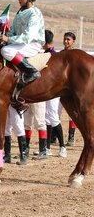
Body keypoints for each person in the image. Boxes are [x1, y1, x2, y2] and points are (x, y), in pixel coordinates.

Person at [0, 0, 44, 112]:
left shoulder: (35, 13)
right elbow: (13, 30)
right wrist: (4, 36)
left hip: (33, 43)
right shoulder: (21, 12)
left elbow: (27, 37)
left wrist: (8, 40)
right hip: (21, 43)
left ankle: (32, 72)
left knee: (5, 50)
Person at [43, 30, 67, 158]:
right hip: (45, 90)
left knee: (53, 117)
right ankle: (47, 147)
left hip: (53, 90)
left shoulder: (53, 55)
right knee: (47, 117)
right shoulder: (45, 53)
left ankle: (62, 146)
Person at [61, 32, 77, 146]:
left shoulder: (77, 55)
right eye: (65, 39)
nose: (66, 41)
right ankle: (54, 136)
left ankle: (71, 136)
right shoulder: (60, 54)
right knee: (54, 114)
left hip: (72, 87)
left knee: (73, 112)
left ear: (73, 41)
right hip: (59, 87)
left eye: (68, 39)